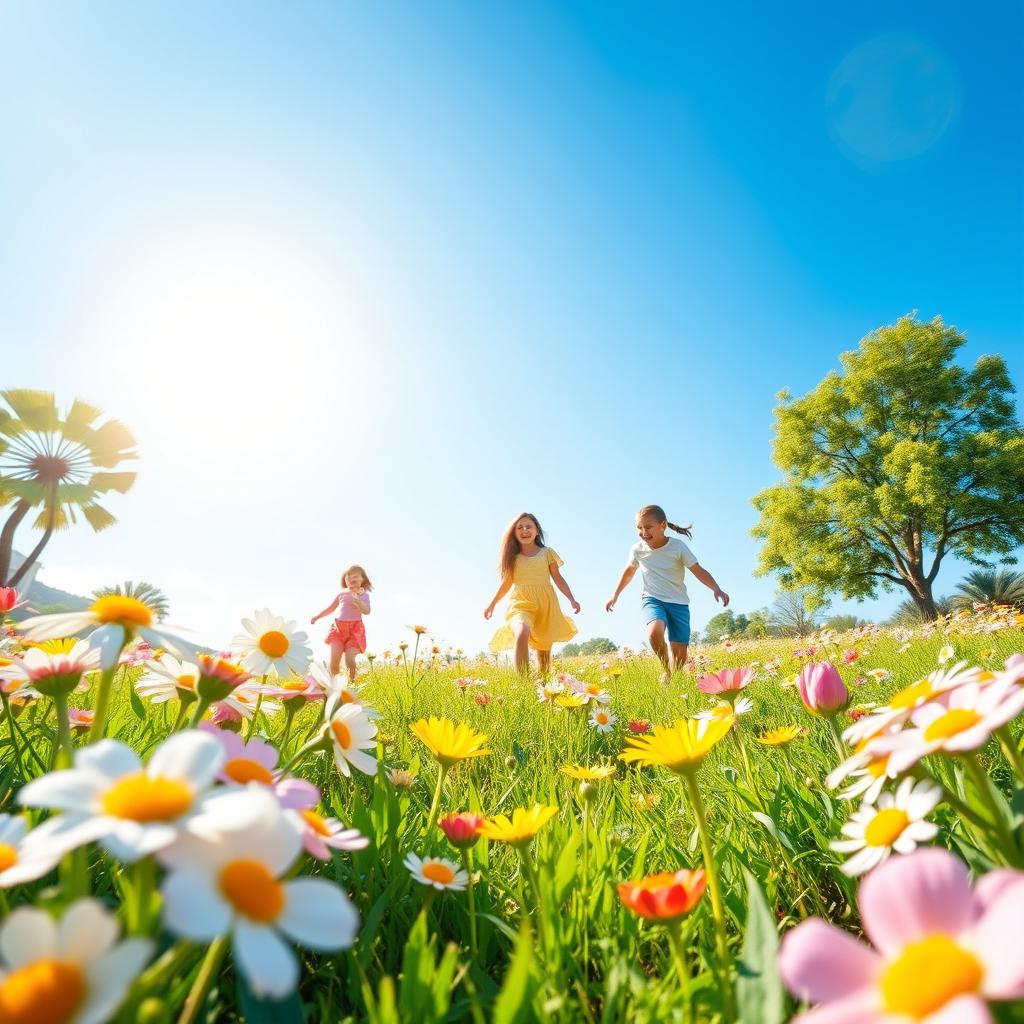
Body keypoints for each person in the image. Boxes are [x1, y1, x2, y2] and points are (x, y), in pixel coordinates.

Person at [605, 504, 728, 683]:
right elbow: (629, 572)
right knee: (654, 632)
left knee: (680, 659)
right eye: (639, 528)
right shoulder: (637, 550)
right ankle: (665, 669)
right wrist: (614, 596)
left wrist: (716, 588)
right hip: (652, 599)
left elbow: (697, 570)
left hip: (679, 604)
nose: (643, 532)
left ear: (662, 525)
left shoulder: (678, 547)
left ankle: (675, 677)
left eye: (648, 527)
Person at [485, 512, 580, 675]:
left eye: (529, 526)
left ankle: (543, 682)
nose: (524, 530)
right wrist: (492, 604)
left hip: (545, 605)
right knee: (521, 632)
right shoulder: (513, 558)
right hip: (520, 603)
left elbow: (558, 578)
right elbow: (506, 583)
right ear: (514, 533)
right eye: (519, 527)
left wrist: (571, 599)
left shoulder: (547, 553)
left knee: (543, 653)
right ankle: (523, 683)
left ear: (537, 530)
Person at [311, 565, 372, 681]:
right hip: (338, 629)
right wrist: (317, 617)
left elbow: (367, 611)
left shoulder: (364, 595)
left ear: (362, 579)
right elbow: (331, 608)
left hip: (355, 630)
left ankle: (352, 682)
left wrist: (358, 602)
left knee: (350, 660)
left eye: (355, 576)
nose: (351, 579)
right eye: (347, 577)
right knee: (334, 661)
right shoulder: (342, 594)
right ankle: (334, 684)